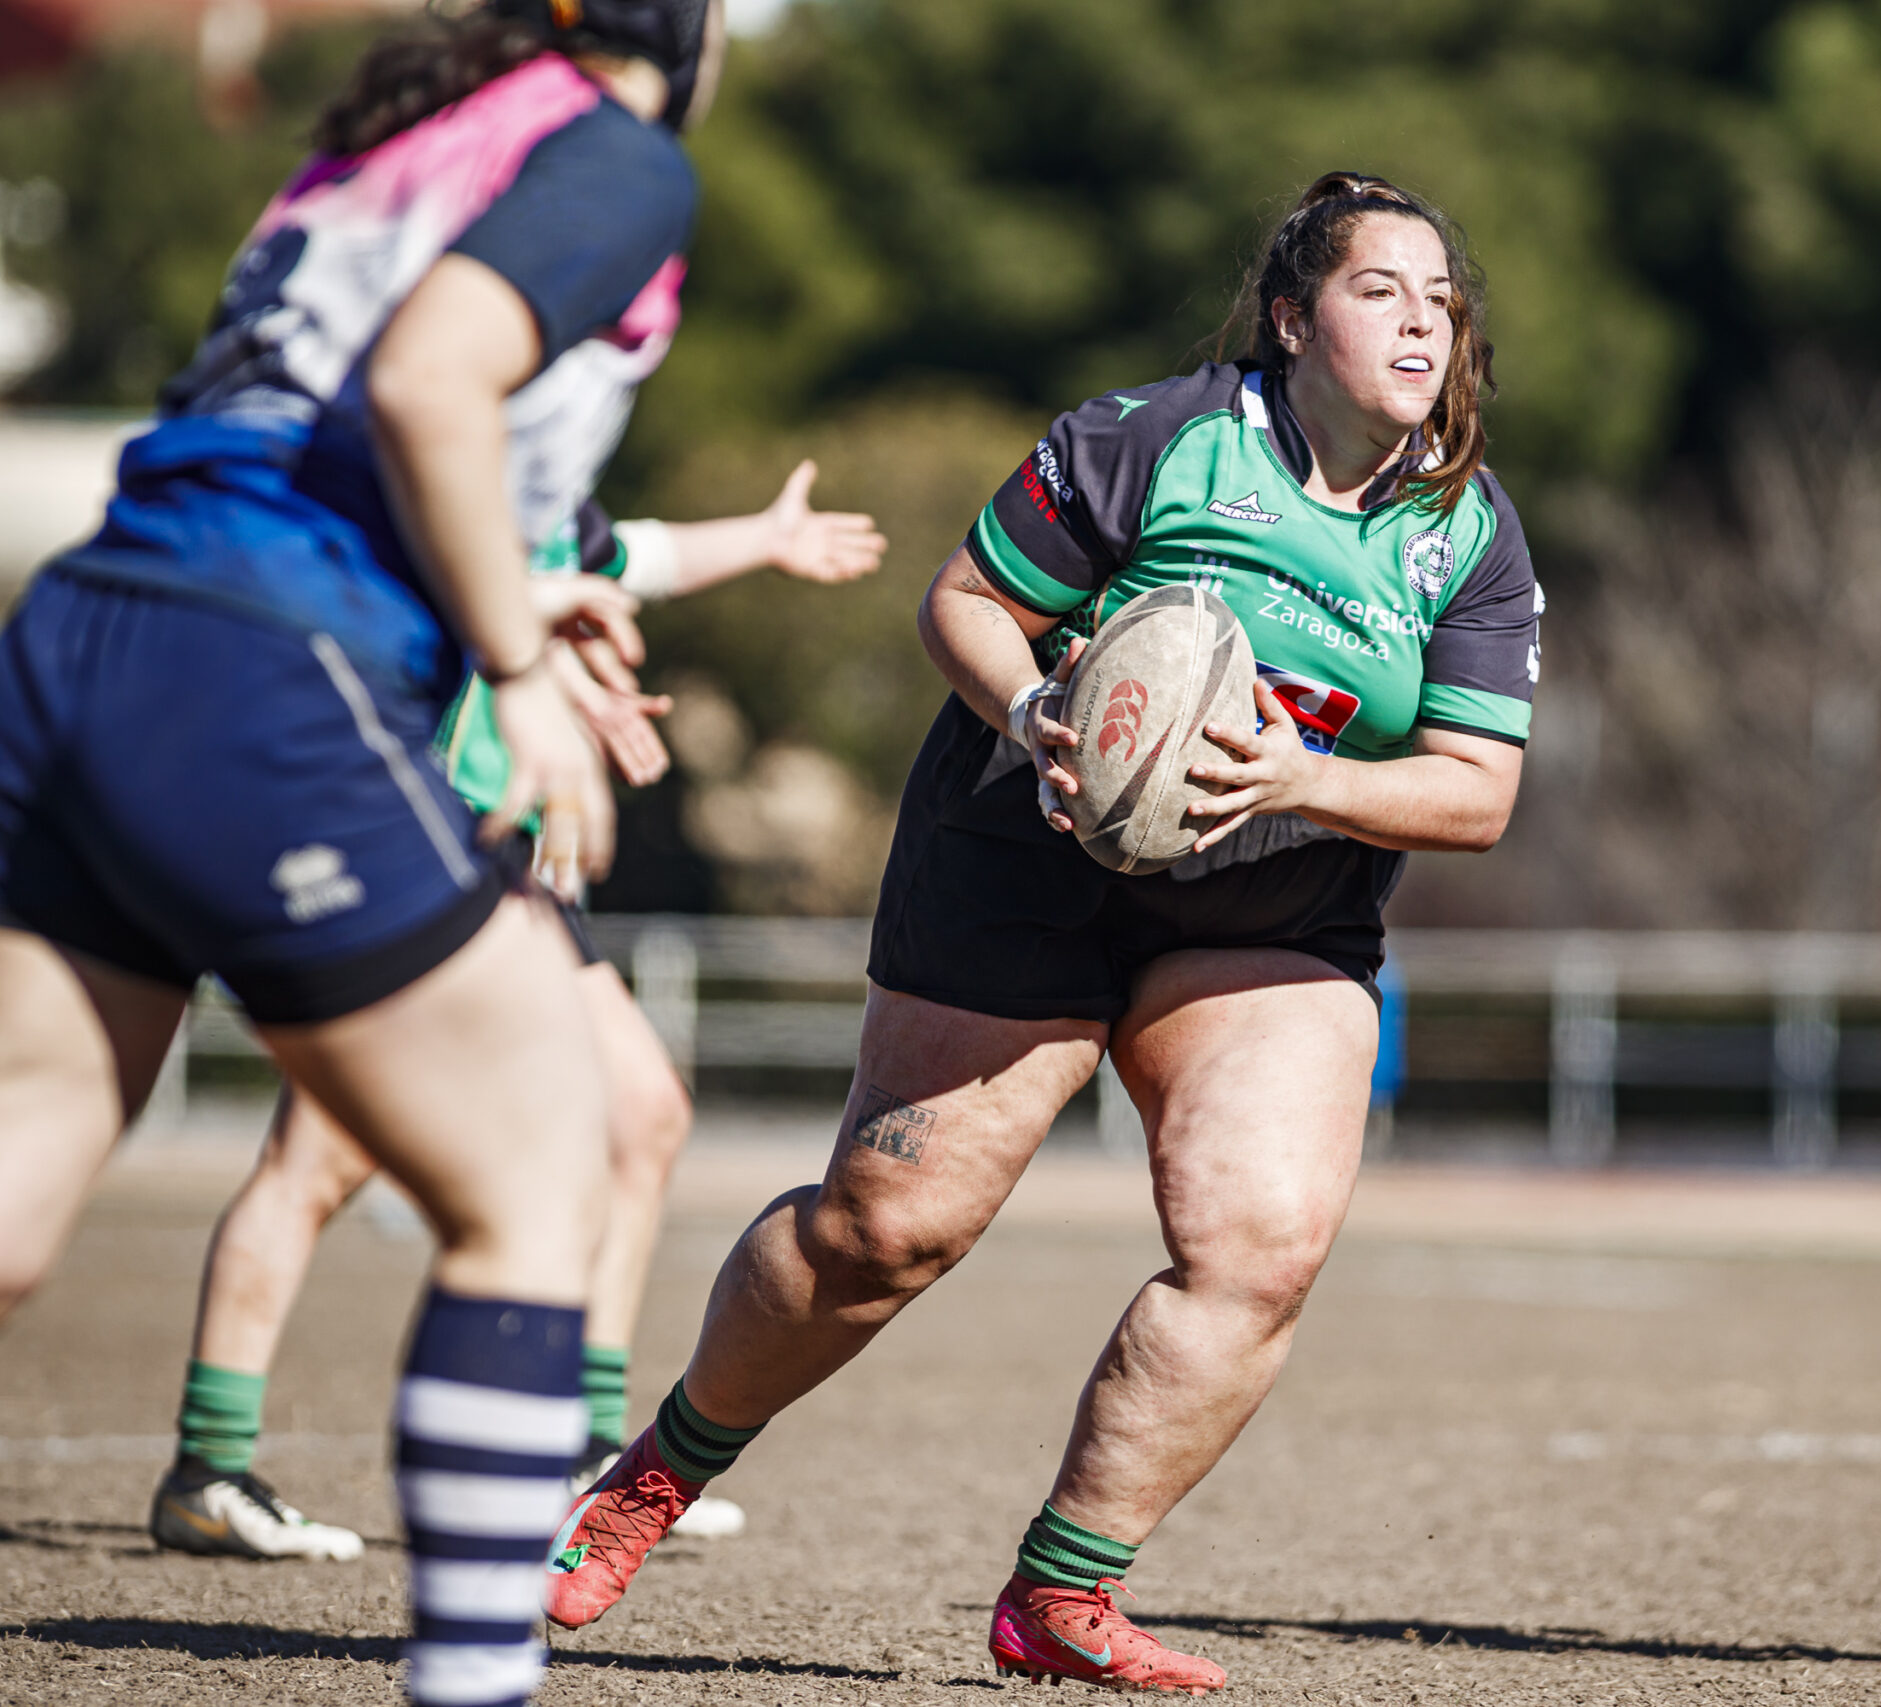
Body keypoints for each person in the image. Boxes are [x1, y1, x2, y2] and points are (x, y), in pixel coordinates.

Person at [542, 170, 1541, 1695]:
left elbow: (1477, 793)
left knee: (1260, 1249)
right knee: (887, 1227)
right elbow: (964, 600)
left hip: (1273, 904)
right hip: (1029, 848)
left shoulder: (1463, 530)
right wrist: (1038, 708)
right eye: (1379, 289)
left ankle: (1064, 1589)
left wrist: (1303, 778)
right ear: (1291, 316)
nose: (1422, 320)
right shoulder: (1157, 439)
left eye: (1440, 299)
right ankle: (653, 1473)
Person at [0, 4, 723, 1705]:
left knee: (20, 1178)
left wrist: (503, 587)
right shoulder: (612, 153)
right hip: (267, 658)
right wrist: (518, 658)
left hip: (99, 628)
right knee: (548, 1151)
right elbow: (422, 381)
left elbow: (310, 404)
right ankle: (474, 1680)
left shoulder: (393, 144)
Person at [147, 466, 885, 1562]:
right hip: (411, 854)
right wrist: (548, 678)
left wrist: (765, 535)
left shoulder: (545, 472)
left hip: (518, 883)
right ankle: (209, 1469)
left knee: (643, 1115)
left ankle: (584, 1454)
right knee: (317, 1163)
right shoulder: (422, 478)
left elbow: (626, 551)